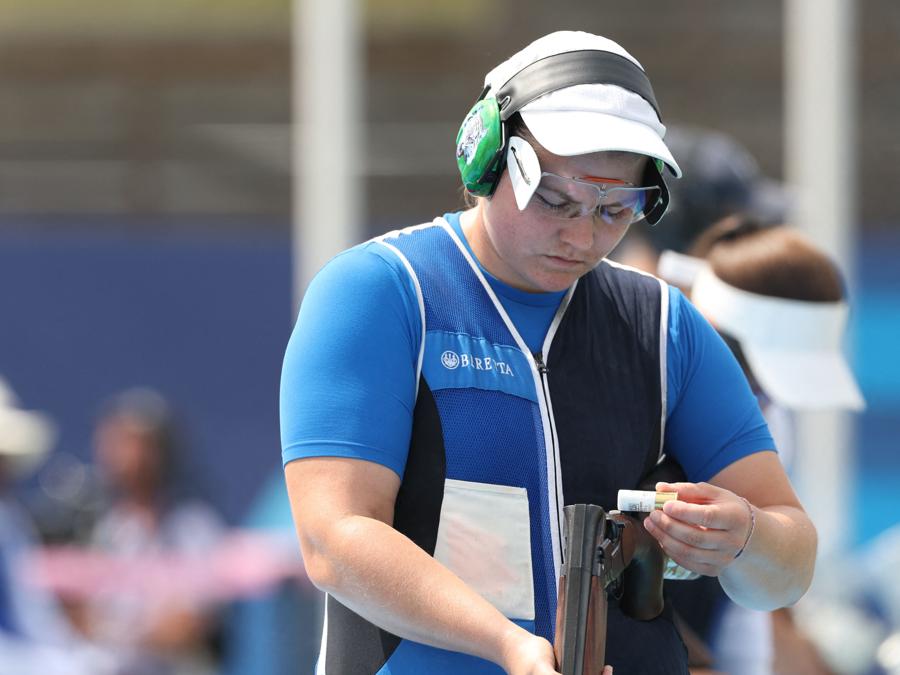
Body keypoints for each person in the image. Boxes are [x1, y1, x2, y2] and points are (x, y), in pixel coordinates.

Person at [281, 31, 817, 675]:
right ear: (485, 158)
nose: (582, 236)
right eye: (556, 200)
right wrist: (506, 644)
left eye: (616, 209)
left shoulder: (666, 327)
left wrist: (747, 539)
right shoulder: (381, 293)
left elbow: (789, 561)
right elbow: (335, 540)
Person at [673, 217, 863, 675]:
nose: (762, 406)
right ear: (711, 338)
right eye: (756, 383)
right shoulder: (637, 395)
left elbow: (760, 606)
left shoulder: (772, 416)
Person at [72, 387, 226, 675]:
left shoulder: (195, 527)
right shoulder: (94, 526)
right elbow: (72, 620)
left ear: (162, 452)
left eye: (134, 444)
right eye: (113, 443)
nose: (123, 456)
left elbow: (187, 627)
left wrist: (111, 632)